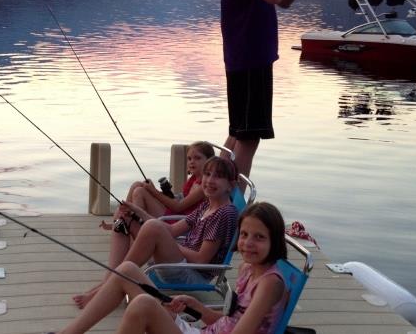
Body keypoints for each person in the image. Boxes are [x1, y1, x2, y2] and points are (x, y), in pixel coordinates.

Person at [55, 202, 290, 334]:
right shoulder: (248, 270)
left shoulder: (270, 284)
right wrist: (196, 306)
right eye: (245, 234)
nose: (248, 243)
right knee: (128, 270)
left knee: (143, 304)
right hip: (202, 331)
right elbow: (232, 321)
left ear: (275, 240)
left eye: (259, 237)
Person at [221, 0, 328, 177]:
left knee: (238, 133)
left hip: (249, 60)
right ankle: (230, 211)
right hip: (248, 60)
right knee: (248, 137)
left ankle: (215, 202)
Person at [72, 156, 239, 309]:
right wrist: (137, 211)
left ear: (231, 184)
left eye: (217, 176)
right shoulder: (207, 205)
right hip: (179, 262)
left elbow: (202, 260)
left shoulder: (224, 214)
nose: (209, 180)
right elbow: (173, 230)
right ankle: (109, 281)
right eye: (207, 174)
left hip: (192, 274)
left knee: (154, 227)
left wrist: (168, 243)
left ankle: (106, 289)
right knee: (123, 219)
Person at [100, 141, 215, 235]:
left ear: (209, 161)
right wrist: (155, 191)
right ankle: (121, 221)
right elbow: (180, 199)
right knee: (137, 185)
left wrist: (153, 191)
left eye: (197, 158)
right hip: (175, 215)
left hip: (179, 223)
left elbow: (178, 206)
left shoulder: (203, 187)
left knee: (140, 192)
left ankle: (136, 231)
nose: (192, 162)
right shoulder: (194, 179)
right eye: (189, 159)